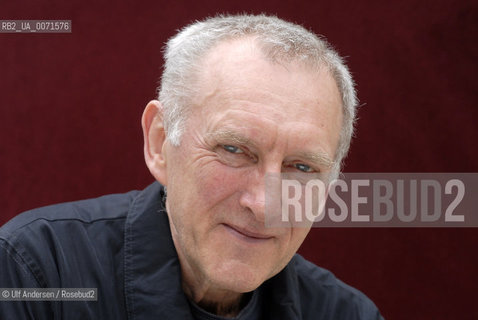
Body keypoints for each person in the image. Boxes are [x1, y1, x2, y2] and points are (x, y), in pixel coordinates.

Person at [0, 14, 384, 319]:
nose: (265, 205)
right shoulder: (38, 272)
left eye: (301, 168)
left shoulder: (347, 314)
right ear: (160, 142)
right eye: (234, 149)